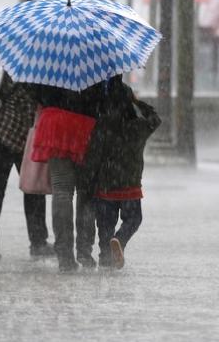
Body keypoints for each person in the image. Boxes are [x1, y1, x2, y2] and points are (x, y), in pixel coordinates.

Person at [0, 73, 54, 261]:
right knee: (31, 187)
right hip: (10, 133)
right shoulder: (37, 72)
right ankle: (37, 242)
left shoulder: (9, 62)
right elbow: (39, 102)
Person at [28, 81, 108, 271]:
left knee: (61, 190)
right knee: (86, 194)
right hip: (87, 124)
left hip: (55, 122)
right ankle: (84, 251)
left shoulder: (48, 56)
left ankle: (64, 255)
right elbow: (108, 97)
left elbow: (34, 91)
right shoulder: (98, 57)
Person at [84, 81, 160, 269]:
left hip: (106, 184)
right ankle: (120, 239)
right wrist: (137, 102)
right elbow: (155, 119)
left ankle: (105, 259)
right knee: (134, 219)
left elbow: (93, 154)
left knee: (105, 225)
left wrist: (90, 179)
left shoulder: (102, 125)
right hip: (129, 184)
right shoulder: (139, 127)